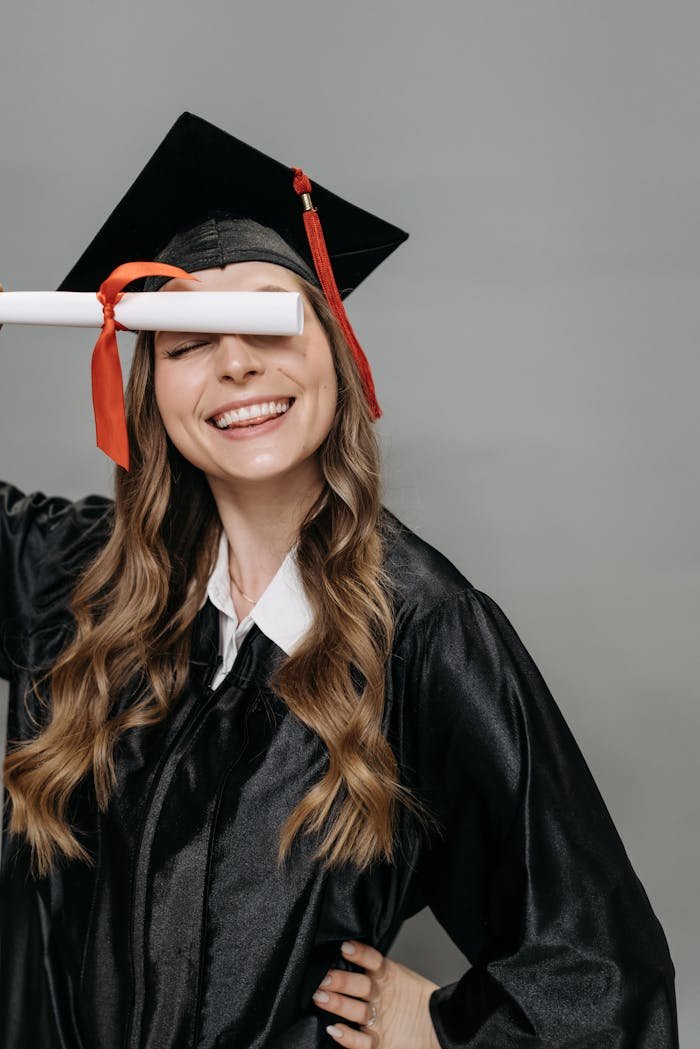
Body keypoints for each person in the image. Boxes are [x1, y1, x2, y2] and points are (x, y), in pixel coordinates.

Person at [0, 112, 678, 1049]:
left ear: (336, 349)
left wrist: (442, 1024)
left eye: (267, 323)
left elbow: (603, 973)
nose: (235, 362)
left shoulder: (424, 629)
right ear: (149, 386)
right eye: (189, 339)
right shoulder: (70, 581)